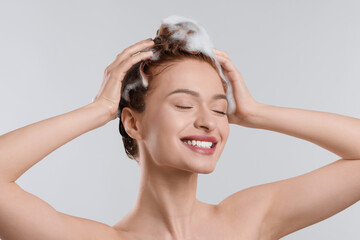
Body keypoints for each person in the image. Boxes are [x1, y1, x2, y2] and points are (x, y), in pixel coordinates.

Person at [0, 15, 359, 240]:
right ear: (133, 122)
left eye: (219, 109)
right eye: (184, 105)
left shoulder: (250, 220)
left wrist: (256, 112)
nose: (207, 121)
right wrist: (100, 109)